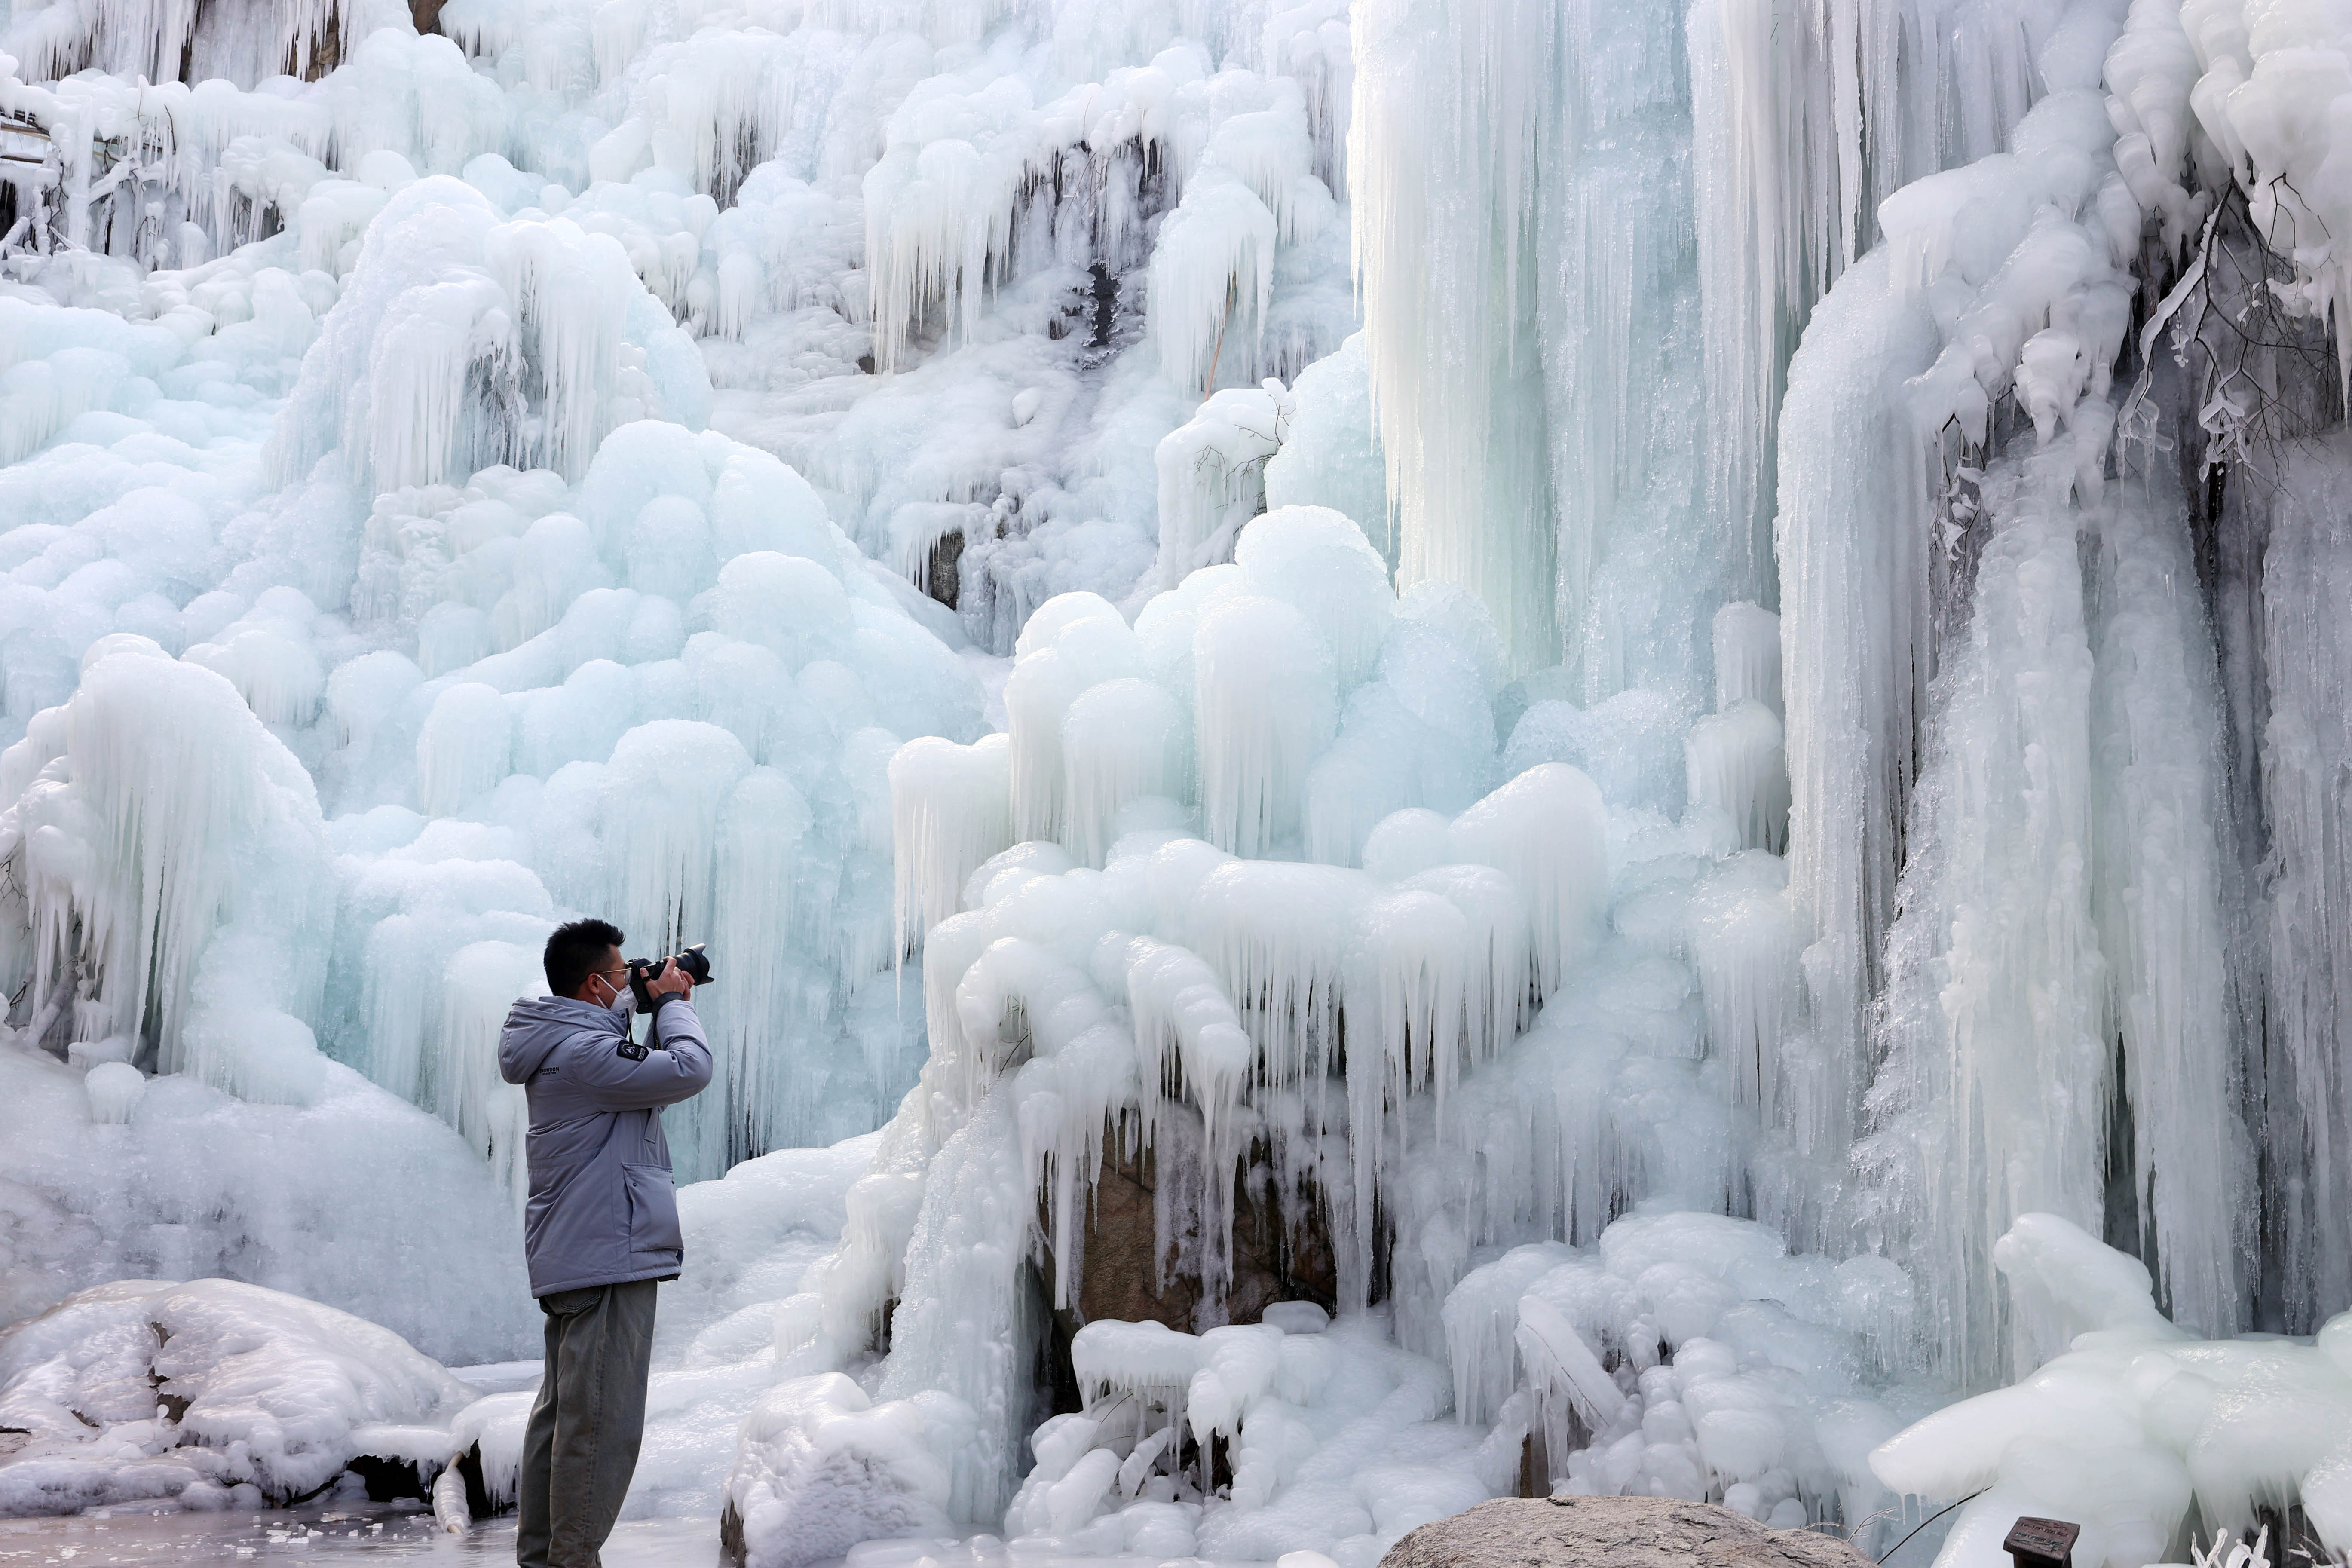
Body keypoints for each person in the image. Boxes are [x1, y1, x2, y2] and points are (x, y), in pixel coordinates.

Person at [498, 919, 711, 1568]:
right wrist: (672, 1003)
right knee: (600, 1427)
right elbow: (688, 1069)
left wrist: (640, 998)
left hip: (578, 1256)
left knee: (562, 1419)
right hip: (607, 1258)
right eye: (619, 977)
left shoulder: (560, 1042)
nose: (629, 987)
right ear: (593, 985)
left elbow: (630, 1058)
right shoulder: (586, 1055)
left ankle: (543, 1560)